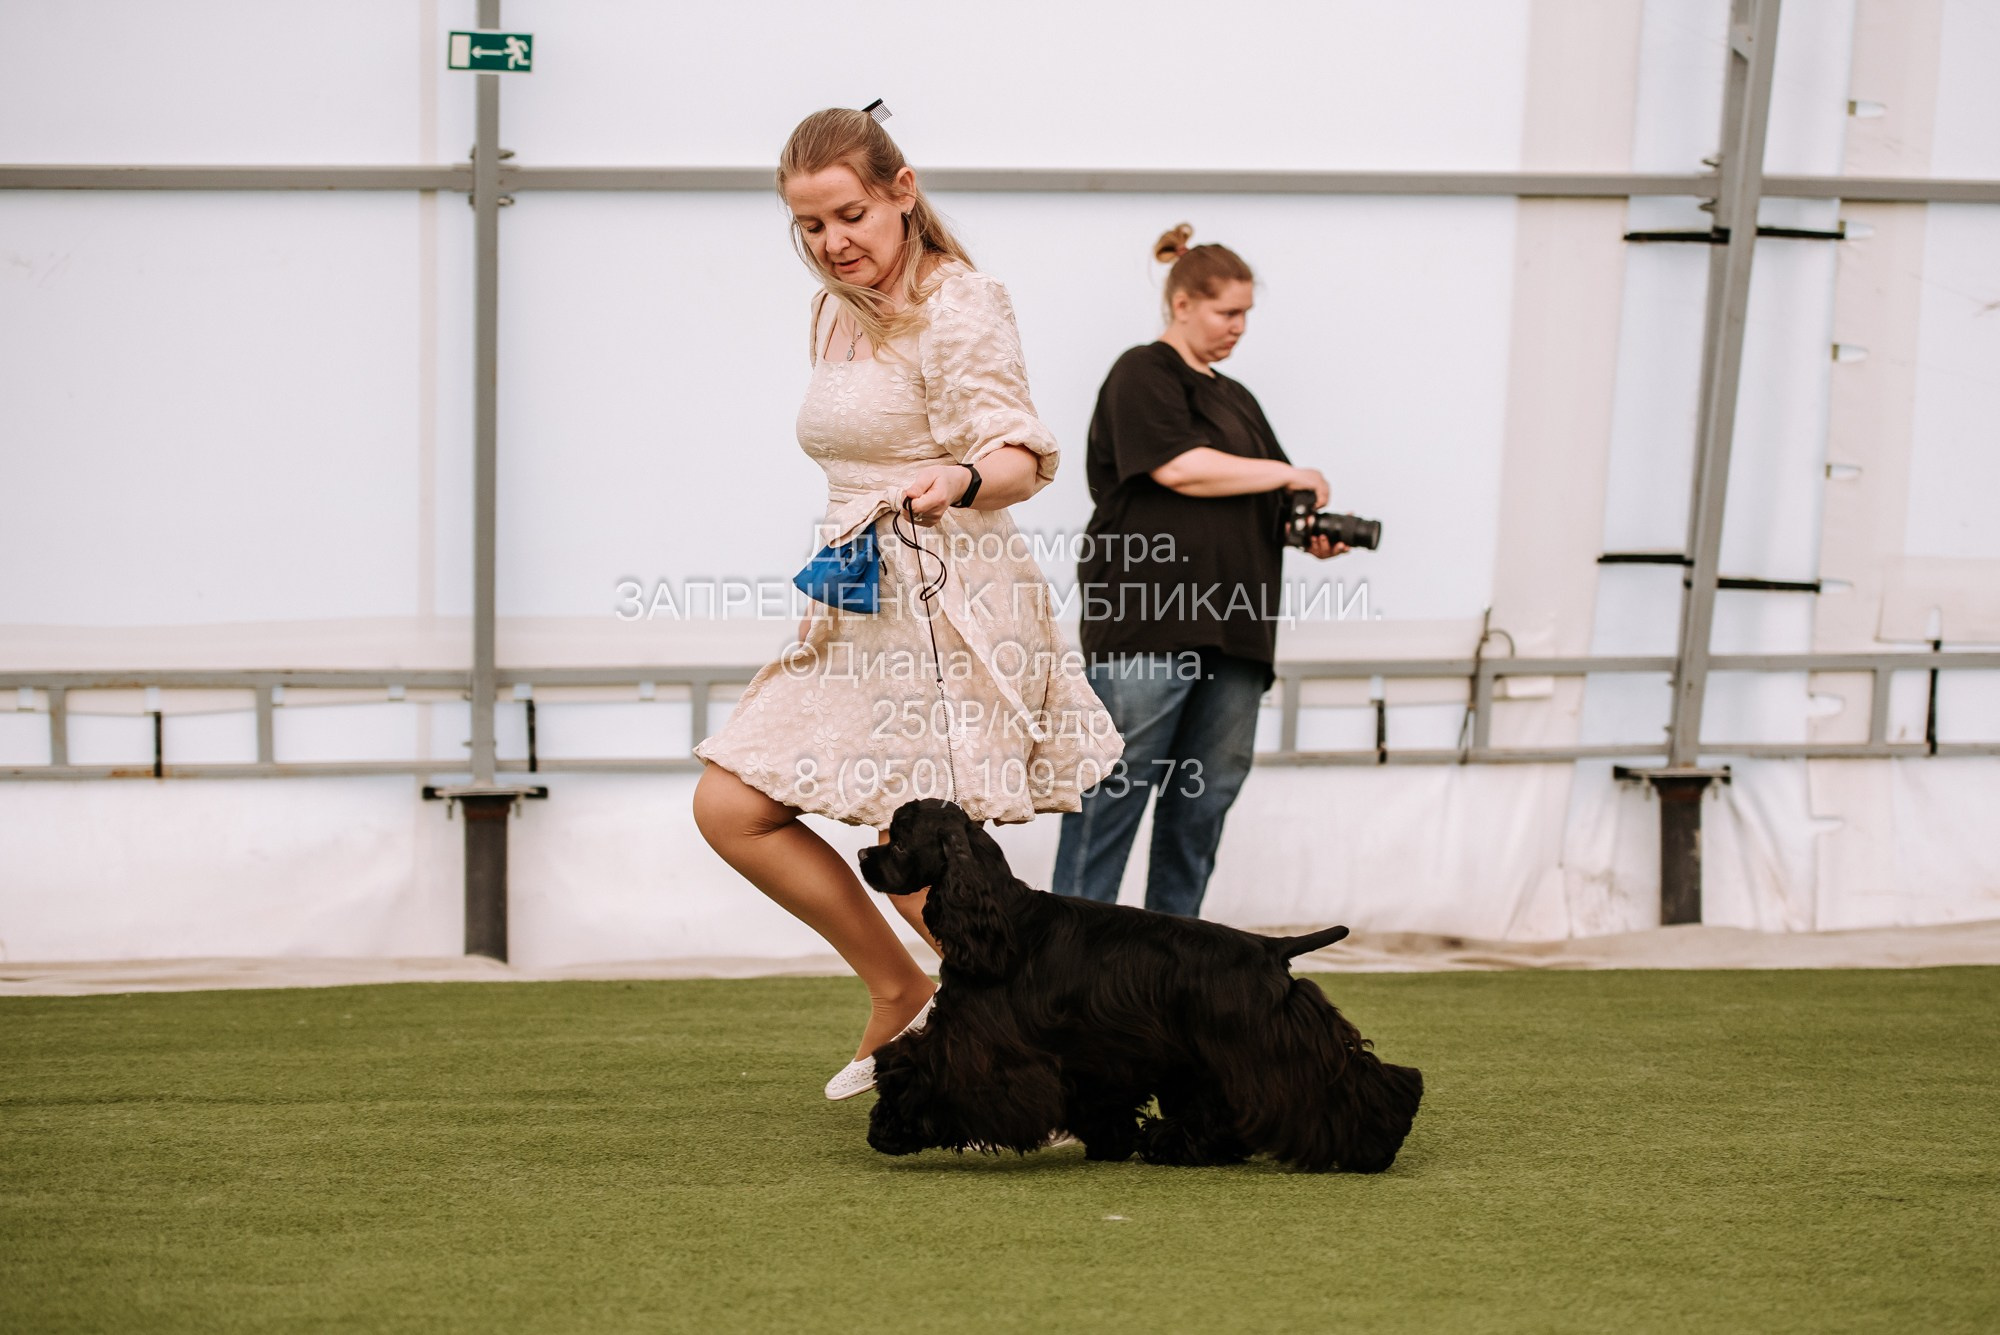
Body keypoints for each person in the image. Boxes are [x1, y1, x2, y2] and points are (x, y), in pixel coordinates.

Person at [691, 106, 1122, 1101]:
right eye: (809, 225)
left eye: (849, 215)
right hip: (857, 595)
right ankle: (901, 990)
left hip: (944, 596)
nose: (832, 242)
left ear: (902, 191)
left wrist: (960, 480)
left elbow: (1019, 453)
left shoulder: (959, 301)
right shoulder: (833, 310)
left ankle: (1043, 1060)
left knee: (922, 852)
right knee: (732, 805)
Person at [1051, 224, 1345, 918]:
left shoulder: (1237, 399)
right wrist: (1289, 473)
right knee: (1115, 793)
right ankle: (1060, 963)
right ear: (1182, 303)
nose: (1238, 327)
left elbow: (1263, 495)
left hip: (1237, 632)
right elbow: (1178, 468)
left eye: (1246, 314)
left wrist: (1307, 530)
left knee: (1204, 800)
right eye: (1227, 312)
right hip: (1150, 624)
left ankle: (1172, 964)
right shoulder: (1142, 372)